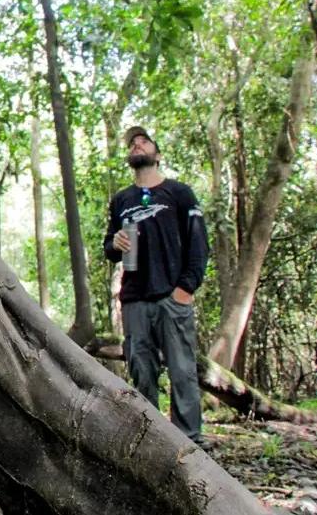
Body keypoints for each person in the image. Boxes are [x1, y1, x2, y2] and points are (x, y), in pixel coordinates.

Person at [103, 126, 209, 446]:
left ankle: (190, 441)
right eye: (133, 143)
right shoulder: (122, 200)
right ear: (129, 158)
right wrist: (115, 242)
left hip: (172, 296)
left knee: (182, 371)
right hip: (135, 299)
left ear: (157, 154)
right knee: (141, 371)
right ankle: (153, 442)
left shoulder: (179, 193)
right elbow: (110, 248)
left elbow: (199, 243)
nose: (137, 145)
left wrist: (185, 289)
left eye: (144, 141)